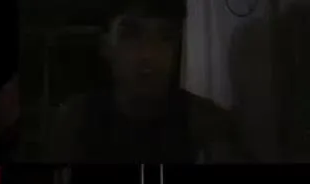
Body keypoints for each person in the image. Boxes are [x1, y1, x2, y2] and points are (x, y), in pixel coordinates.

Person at [48, 0, 246, 163]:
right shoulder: (77, 121)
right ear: (106, 47)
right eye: (131, 35)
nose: (149, 53)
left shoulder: (203, 121)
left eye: (165, 37)